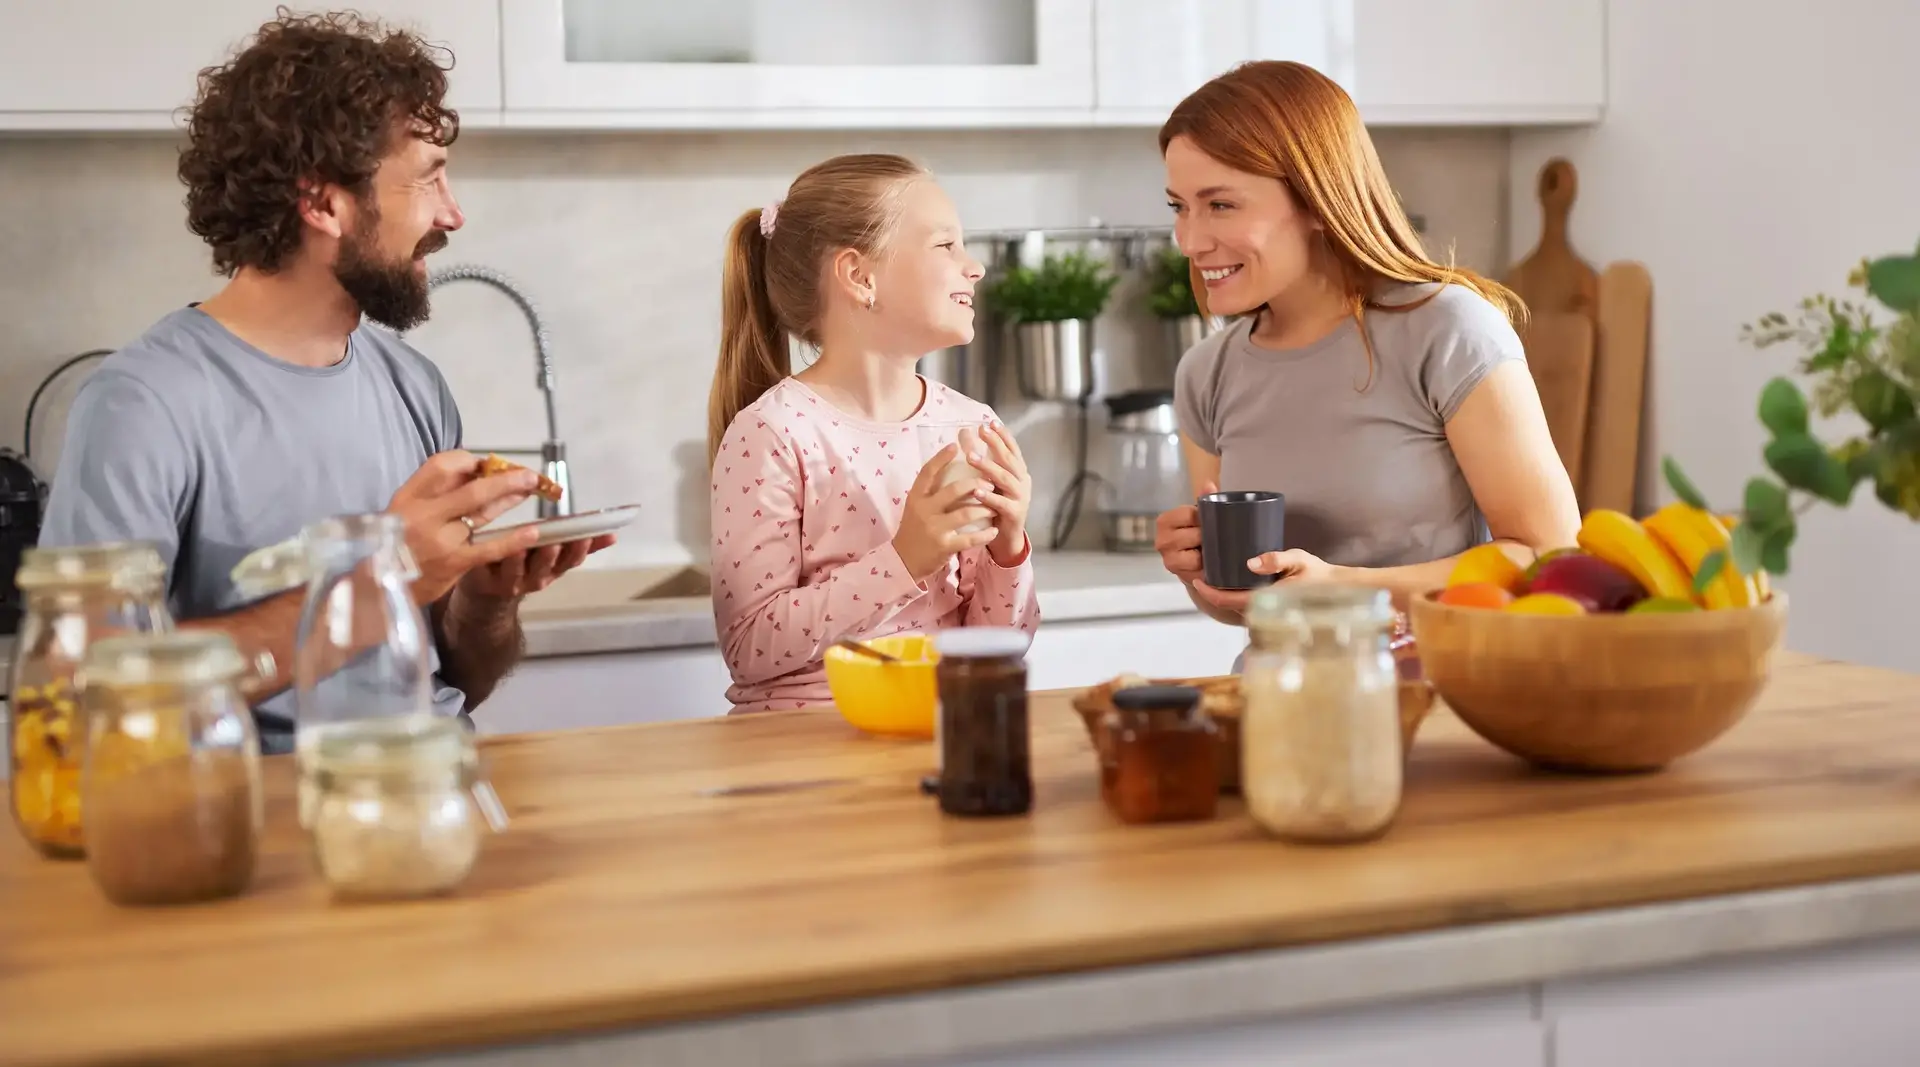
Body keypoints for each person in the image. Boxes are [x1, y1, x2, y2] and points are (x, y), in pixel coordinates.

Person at [38, 12, 611, 753]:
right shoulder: (142, 403)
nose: (453, 214)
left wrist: (482, 599)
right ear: (323, 204)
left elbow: (455, 677)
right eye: (429, 178)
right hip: (264, 818)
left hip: (435, 788)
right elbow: (81, 690)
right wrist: (385, 584)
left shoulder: (413, 383)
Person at [1151, 61, 1581, 624]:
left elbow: (1549, 560)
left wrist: (1341, 586)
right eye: (1179, 207)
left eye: (1221, 204)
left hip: (1435, 695)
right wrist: (1198, 568)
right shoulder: (1206, 372)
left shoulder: (1446, 330)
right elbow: (1247, 609)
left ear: (1315, 201)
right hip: (1278, 697)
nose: (1189, 240)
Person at [707, 154, 1041, 712]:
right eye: (945, 245)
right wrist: (905, 559)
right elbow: (749, 647)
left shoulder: (972, 427)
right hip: (801, 751)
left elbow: (1006, 645)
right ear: (861, 277)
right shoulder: (773, 432)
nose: (975, 266)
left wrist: (1010, 551)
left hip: (939, 732)